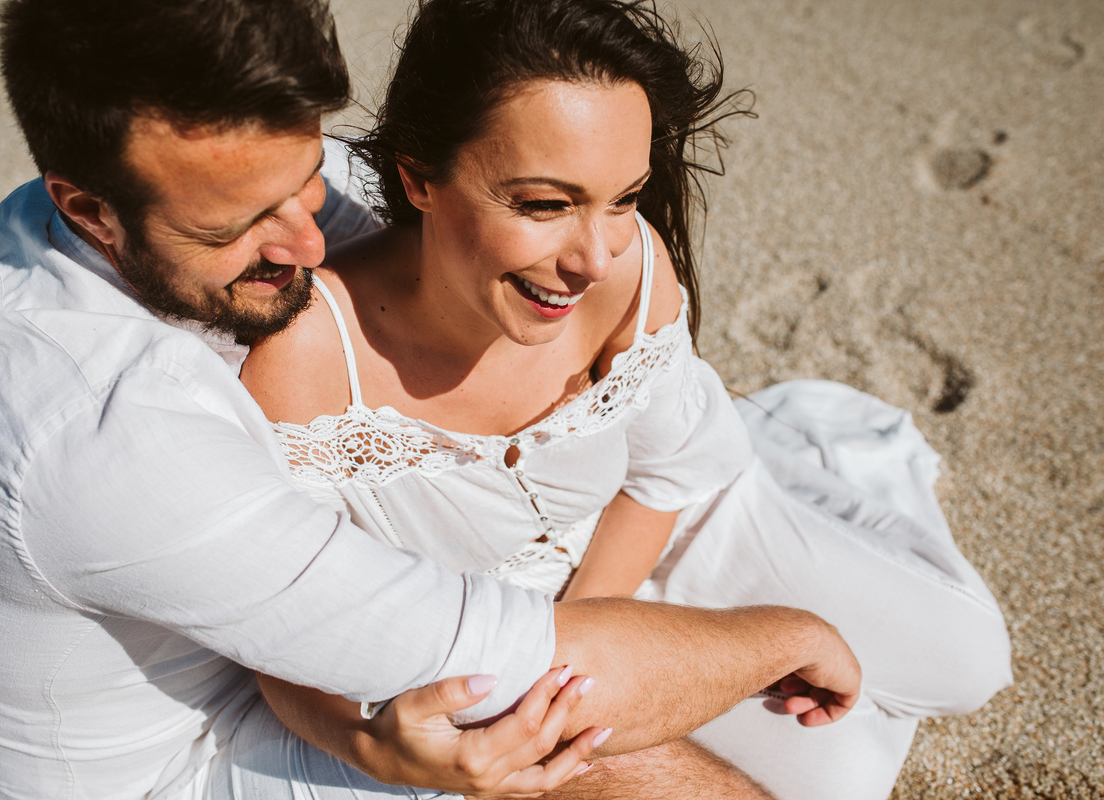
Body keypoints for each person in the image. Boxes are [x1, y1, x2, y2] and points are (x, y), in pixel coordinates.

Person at [0, 0, 865, 798]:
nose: (312, 247)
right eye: (240, 225)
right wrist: (789, 637)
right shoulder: (112, 443)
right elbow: (520, 660)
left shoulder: (96, 206)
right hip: (184, 765)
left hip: (272, 633)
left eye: (304, 183)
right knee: (570, 746)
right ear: (88, 209)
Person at [240, 0, 1015, 797]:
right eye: (545, 205)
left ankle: (796, 443)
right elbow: (279, 627)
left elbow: (662, 480)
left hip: (676, 512)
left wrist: (612, 639)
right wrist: (368, 745)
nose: (592, 256)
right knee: (843, 775)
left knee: (972, 661)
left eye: (623, 197)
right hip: (542, 627)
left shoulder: (627, 271)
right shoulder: (306, 367)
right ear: (417, 178)